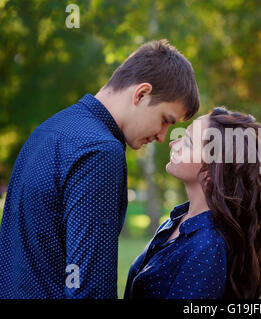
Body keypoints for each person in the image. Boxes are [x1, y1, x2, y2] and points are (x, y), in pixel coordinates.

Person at [0, 40, 200, 299]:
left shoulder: (52, 128)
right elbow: (90, 288)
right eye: (165, 120)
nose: (162, 136)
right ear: (141, 94)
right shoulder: (101, 152)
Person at [124, 107, 261, 299]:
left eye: (187, 142)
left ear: (212, 170)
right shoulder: (178, 220)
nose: (173, 143)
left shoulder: (208, 248)